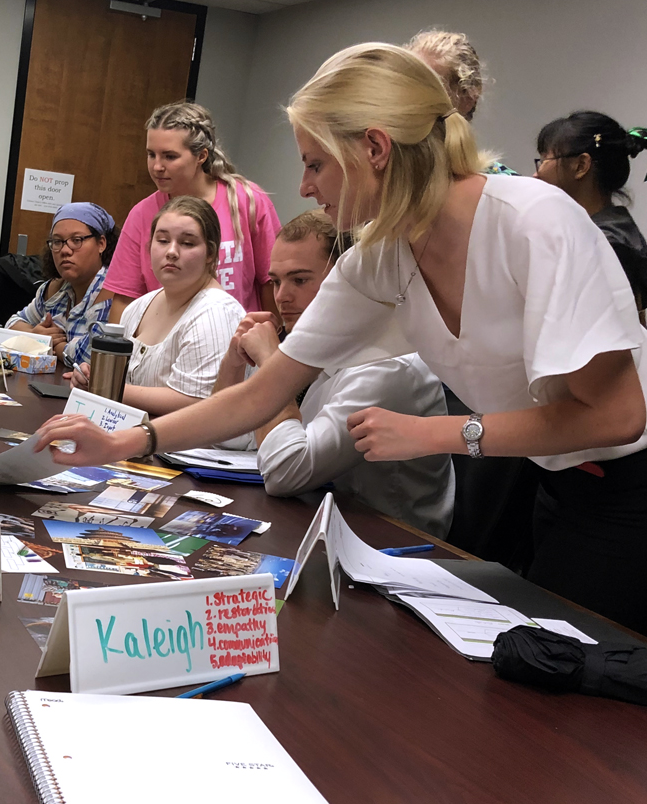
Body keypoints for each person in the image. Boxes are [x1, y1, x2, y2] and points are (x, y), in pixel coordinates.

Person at [38, 43, 647, 634]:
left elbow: (618, 416)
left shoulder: (532, 222)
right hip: (552, 475)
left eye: (315, 163)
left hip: (627, 482)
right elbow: (263, 392)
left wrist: (432, 433)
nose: (305, 187)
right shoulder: (381, 258)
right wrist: (121, 442)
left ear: (375, 148)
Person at [213, 210, 454, 537]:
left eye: (299, 280)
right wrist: (234, 361)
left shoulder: (386, 363)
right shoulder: (320, 342)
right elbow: (230, 438)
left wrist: (271, 364)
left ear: (347, 280)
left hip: (388, 548)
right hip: (321, 523)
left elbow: (285, 471)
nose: (282, 296)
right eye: (276, 281)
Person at [99, 102, 281, 319]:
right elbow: (125, 299)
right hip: (166, 341)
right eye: (151, 154)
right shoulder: (142, 214)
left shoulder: (248, 201)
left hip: (237, 341)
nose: (157, 166)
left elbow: (272, 282)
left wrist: (271, 339)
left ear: (201, 156)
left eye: (169, 156)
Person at [71, 197, 243, 416]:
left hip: (196, 448)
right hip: (138, 437)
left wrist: (105, 388)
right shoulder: (138, 307)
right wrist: (92, 377)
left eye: (187, 243)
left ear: (210, 254)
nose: (171, 251)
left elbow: (197, 403)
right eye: (162, 240)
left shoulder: (216, 313)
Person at [534, 112, 647, 315]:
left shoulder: (605, 246)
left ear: (581, 166)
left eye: (544, 160)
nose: (536, 174)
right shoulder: (608, 234)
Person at [6, 202, 119, 366]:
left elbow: (91, 356)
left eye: (77, 240)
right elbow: (12, 323)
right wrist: (34, 336)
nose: (65, 250)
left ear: (101, 243)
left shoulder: (111, 289)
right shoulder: (56, 288)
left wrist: (50, 344)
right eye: (57, 241)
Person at [406, 29, 516, 176]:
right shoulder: (384, 176)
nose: (412, 98)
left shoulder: (503, 186)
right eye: (407, 83)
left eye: (430, 86)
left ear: (468, 98)